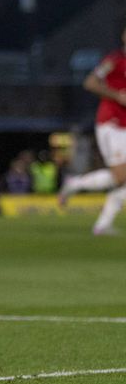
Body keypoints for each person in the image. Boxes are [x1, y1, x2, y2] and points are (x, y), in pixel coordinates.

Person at [58, 25, 126, 234]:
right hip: (111, 123)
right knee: (120, 176)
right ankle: (74, 183)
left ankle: (103, 225)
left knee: (122, 178)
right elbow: (90, 82)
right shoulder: (114, 61)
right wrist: (117, 96)